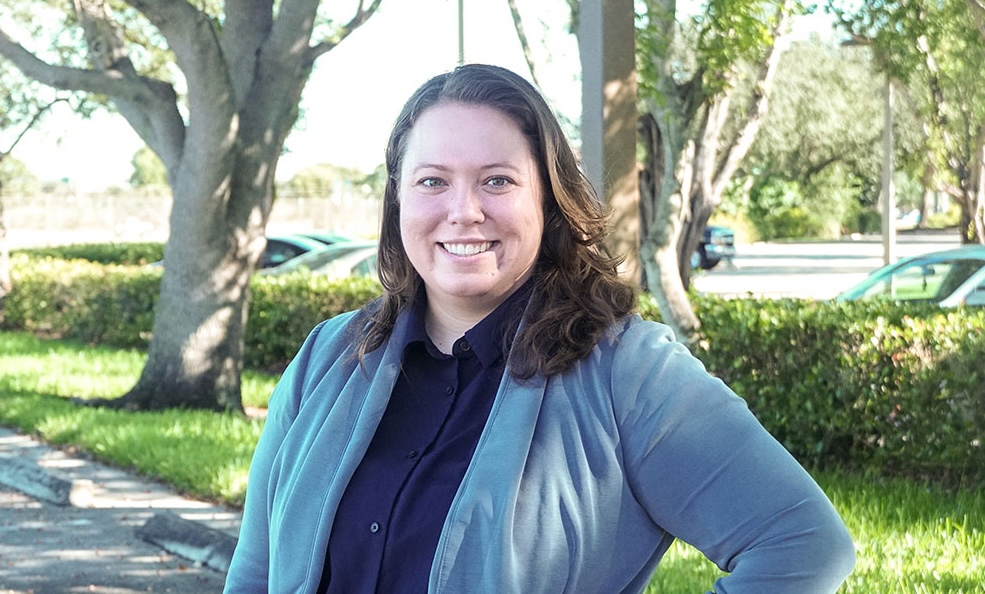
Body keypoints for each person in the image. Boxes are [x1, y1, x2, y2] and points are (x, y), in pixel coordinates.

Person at [224, 63, 855, 594]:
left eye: (497, 181)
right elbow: (255, 574)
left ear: (547, 200)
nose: (463, 210)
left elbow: (801, 543)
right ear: (398, 200)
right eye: (432, 182)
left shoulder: (628, 372)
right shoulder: (328, 359)